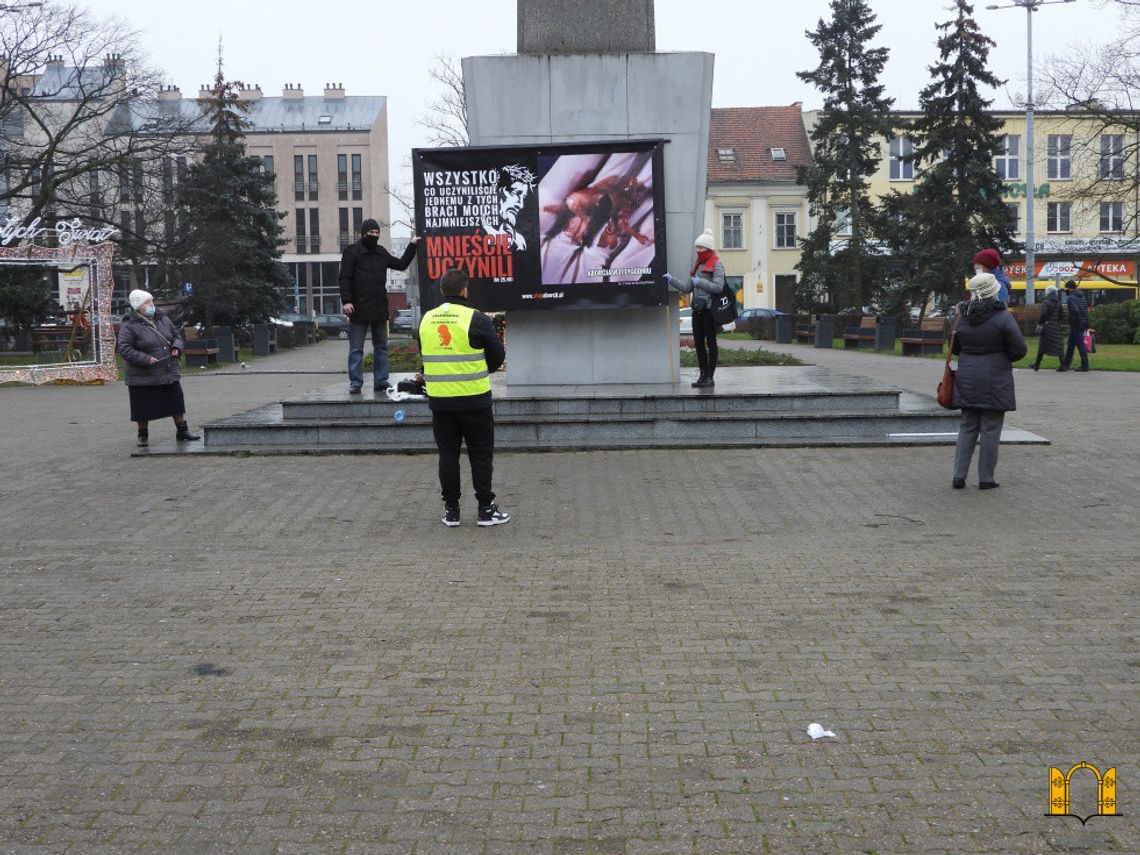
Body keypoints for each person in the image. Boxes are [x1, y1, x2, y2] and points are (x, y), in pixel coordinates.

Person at [419, 268, 508, 527]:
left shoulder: (426, 320)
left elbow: (426, 355)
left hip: (440, 401)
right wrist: (482, 369)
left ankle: (452, 511)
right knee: (480, 455)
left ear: (443, 291)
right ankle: (485, 510)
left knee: (448, 455)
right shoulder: (476, 319)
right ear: (464, 290)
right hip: (474, 399)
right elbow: (497, 356)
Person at [950, 273, 1027, 490]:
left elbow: (955, 347)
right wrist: (1002, 357)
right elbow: (1019, 349)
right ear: (993, 292)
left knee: (967, 426)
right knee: (991, 429)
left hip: (967, 377)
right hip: (995, 378)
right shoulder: (1003, 317)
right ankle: (986, 478)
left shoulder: (961, 317)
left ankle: (959, 475)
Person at [338, 220, 418, 394]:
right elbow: (344, 278)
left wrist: (412, 245)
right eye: (371, 233)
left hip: (380, 309)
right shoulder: (352, 253)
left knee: (381, 347)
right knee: (356, 349)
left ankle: (381, 381)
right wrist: (346, 301)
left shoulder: (381, 252)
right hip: (358, 309)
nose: (374, 236)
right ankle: (356, 382)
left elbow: (401, 264)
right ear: (364, 233)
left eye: (377, 233)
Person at [116, 289, 201, 448]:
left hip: (167, 369)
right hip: (143, 374)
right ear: (138, 306)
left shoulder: (163, 318)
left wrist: (176, 347)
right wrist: (145, 359)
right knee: (142, 406)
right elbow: (124, 348)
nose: (151, 305)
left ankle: (182, 430)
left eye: (152, 301)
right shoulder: (129, 325)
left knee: (176, 401)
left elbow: (176, 336)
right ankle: (143, 435)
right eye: (147, 302)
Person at [664, 228, 725, 388]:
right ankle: (702, 375)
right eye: (697, 247)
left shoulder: (717, 265)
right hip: (697, 310)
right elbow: (686, 287)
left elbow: (718, 287)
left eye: (700, 248)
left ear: (708, 249)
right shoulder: (698, 266)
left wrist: (700, 282)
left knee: (711, 342)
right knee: (698, 342)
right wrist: (671, 279)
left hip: (710, 310)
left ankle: (710, 377)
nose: (697, 251)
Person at [482, 164, 536, 251]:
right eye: (515, 193)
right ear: (497, 190)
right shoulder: (473, 231)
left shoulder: (519, 242)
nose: (520, 205)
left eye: (523, 197)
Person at [1031, 284, 1066, 371]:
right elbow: (1062, 315)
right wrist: (1056, 321)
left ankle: (1036, 365)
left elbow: (1044, 314)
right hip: (1056, 327)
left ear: (1048, 293)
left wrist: (1041, 322)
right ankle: (1063, 365)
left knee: (1042, 346)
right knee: (1059, 346)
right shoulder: (1058, 302)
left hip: (1047, 327)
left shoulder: (1046, 302)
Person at [1059, 279, 1090, 372]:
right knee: (1071, 345)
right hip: (1082, 323)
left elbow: (1075, 311)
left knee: (1080, 345)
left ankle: (1085, 366)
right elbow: (1084, 310)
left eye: (1066, 290)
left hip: (1077, 324)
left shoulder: (1071, 298)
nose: (1066, 292)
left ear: (1070, 289)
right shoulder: (1082, 296)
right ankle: (1065, 365)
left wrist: (1071, 320)